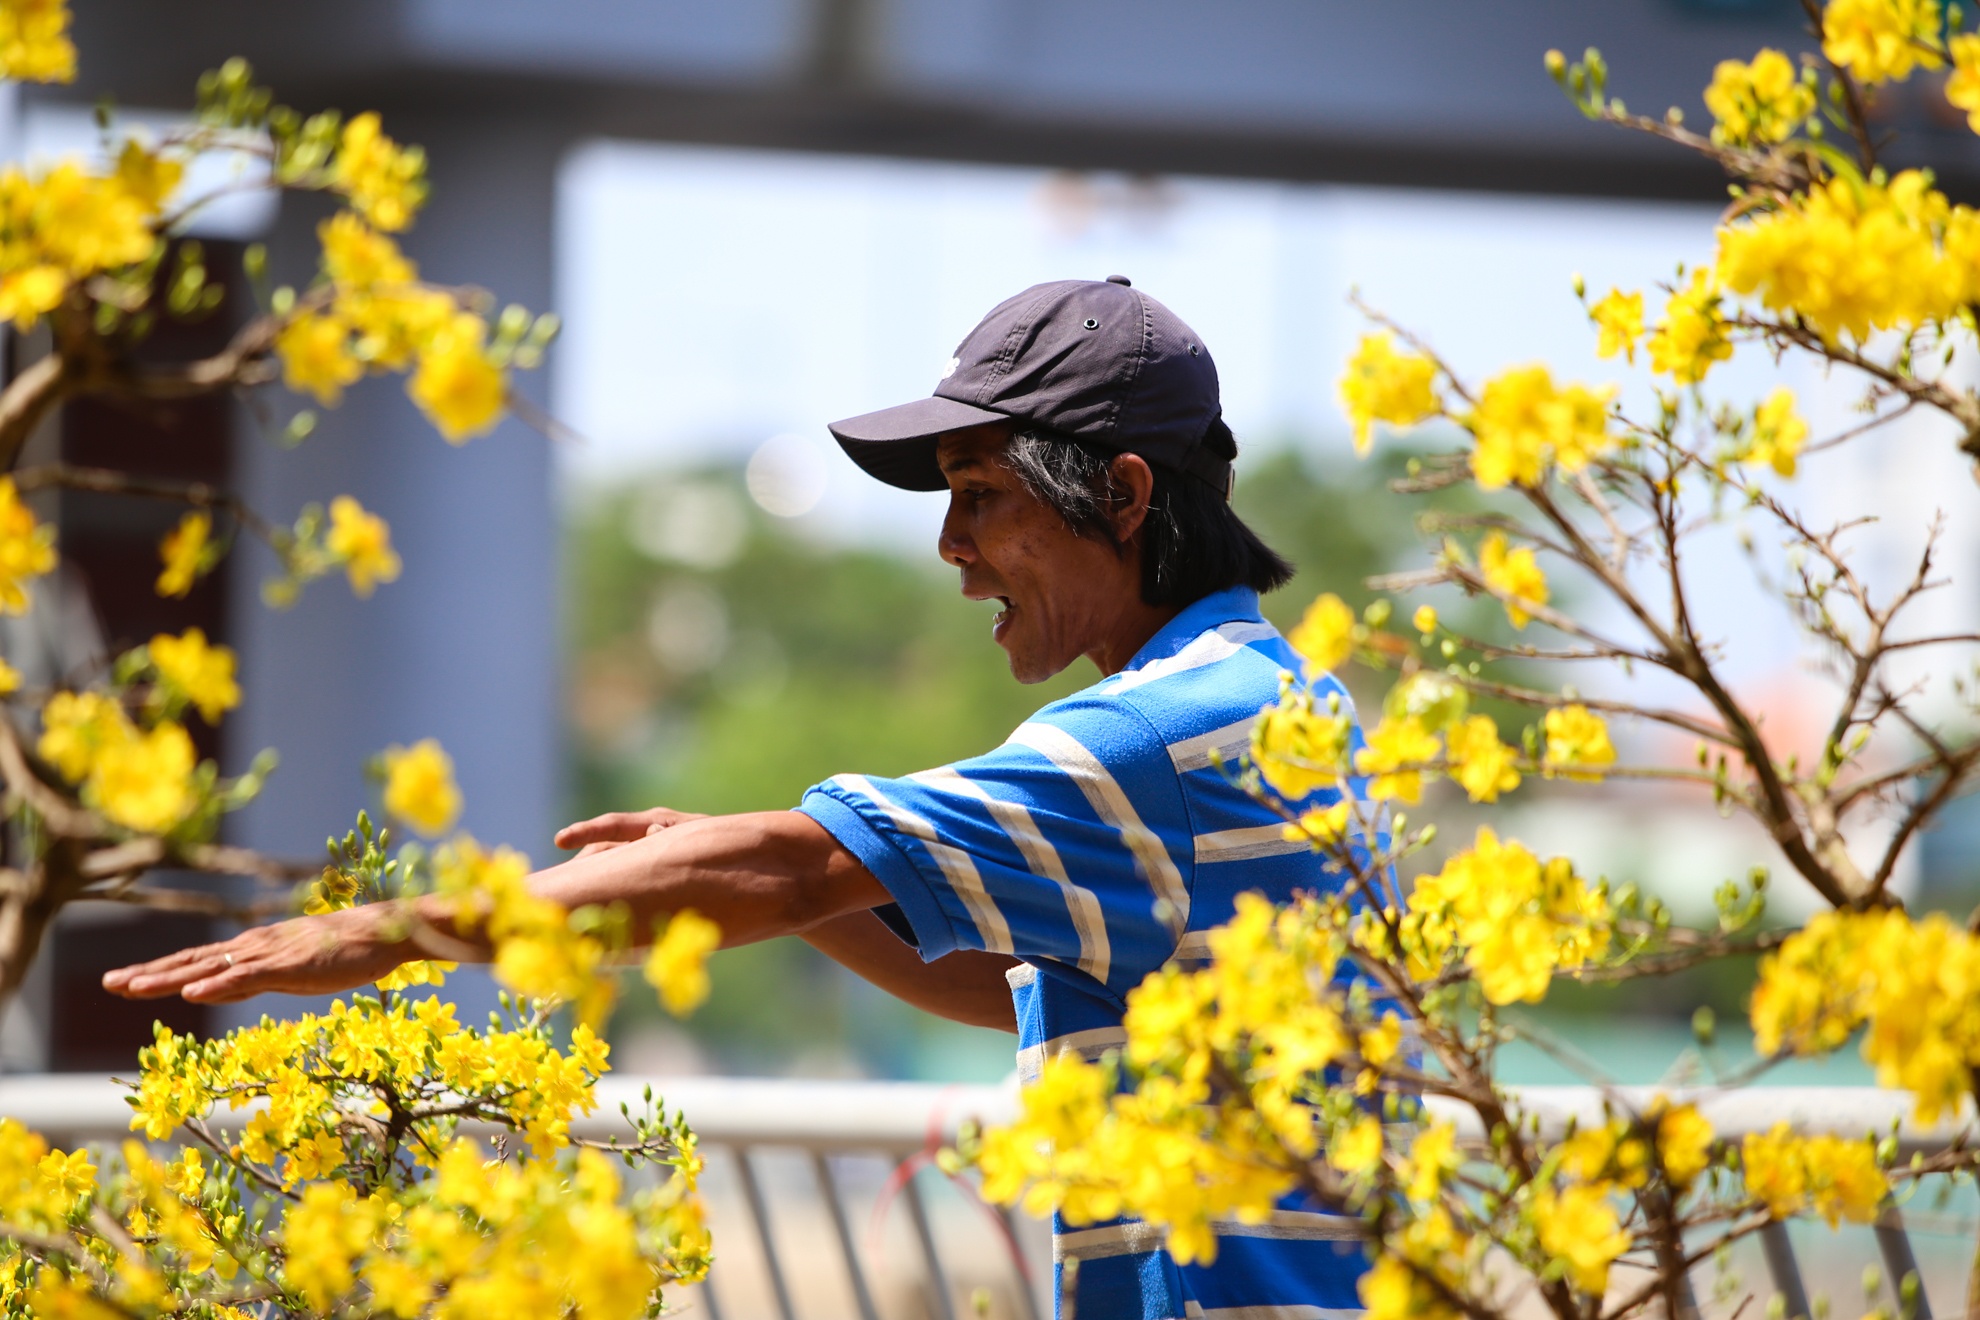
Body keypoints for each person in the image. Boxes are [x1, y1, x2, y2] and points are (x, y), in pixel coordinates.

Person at [105, 276, 1372, 1320]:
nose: (951, 545)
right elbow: (1023, 985)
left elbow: (790, 865)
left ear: (1126, 495)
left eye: (981, 495)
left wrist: (389, 934)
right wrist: (755, 872)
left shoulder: (1149, 738)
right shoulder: (1286, 703)